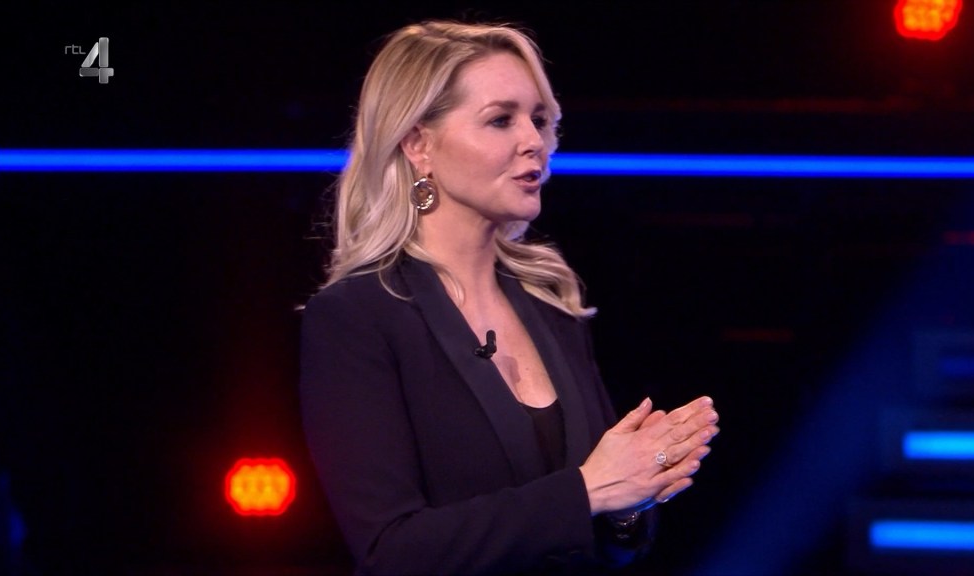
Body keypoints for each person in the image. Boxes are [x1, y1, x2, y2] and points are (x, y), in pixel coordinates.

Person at [299, 20, 720, 575]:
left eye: (539, 120)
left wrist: (630, 502)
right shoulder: (358, 317)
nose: (534, 142)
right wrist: (589, 490)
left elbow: (606, 542)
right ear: (418, 144)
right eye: (501, 120)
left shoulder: (552, 306)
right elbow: (391, 551)